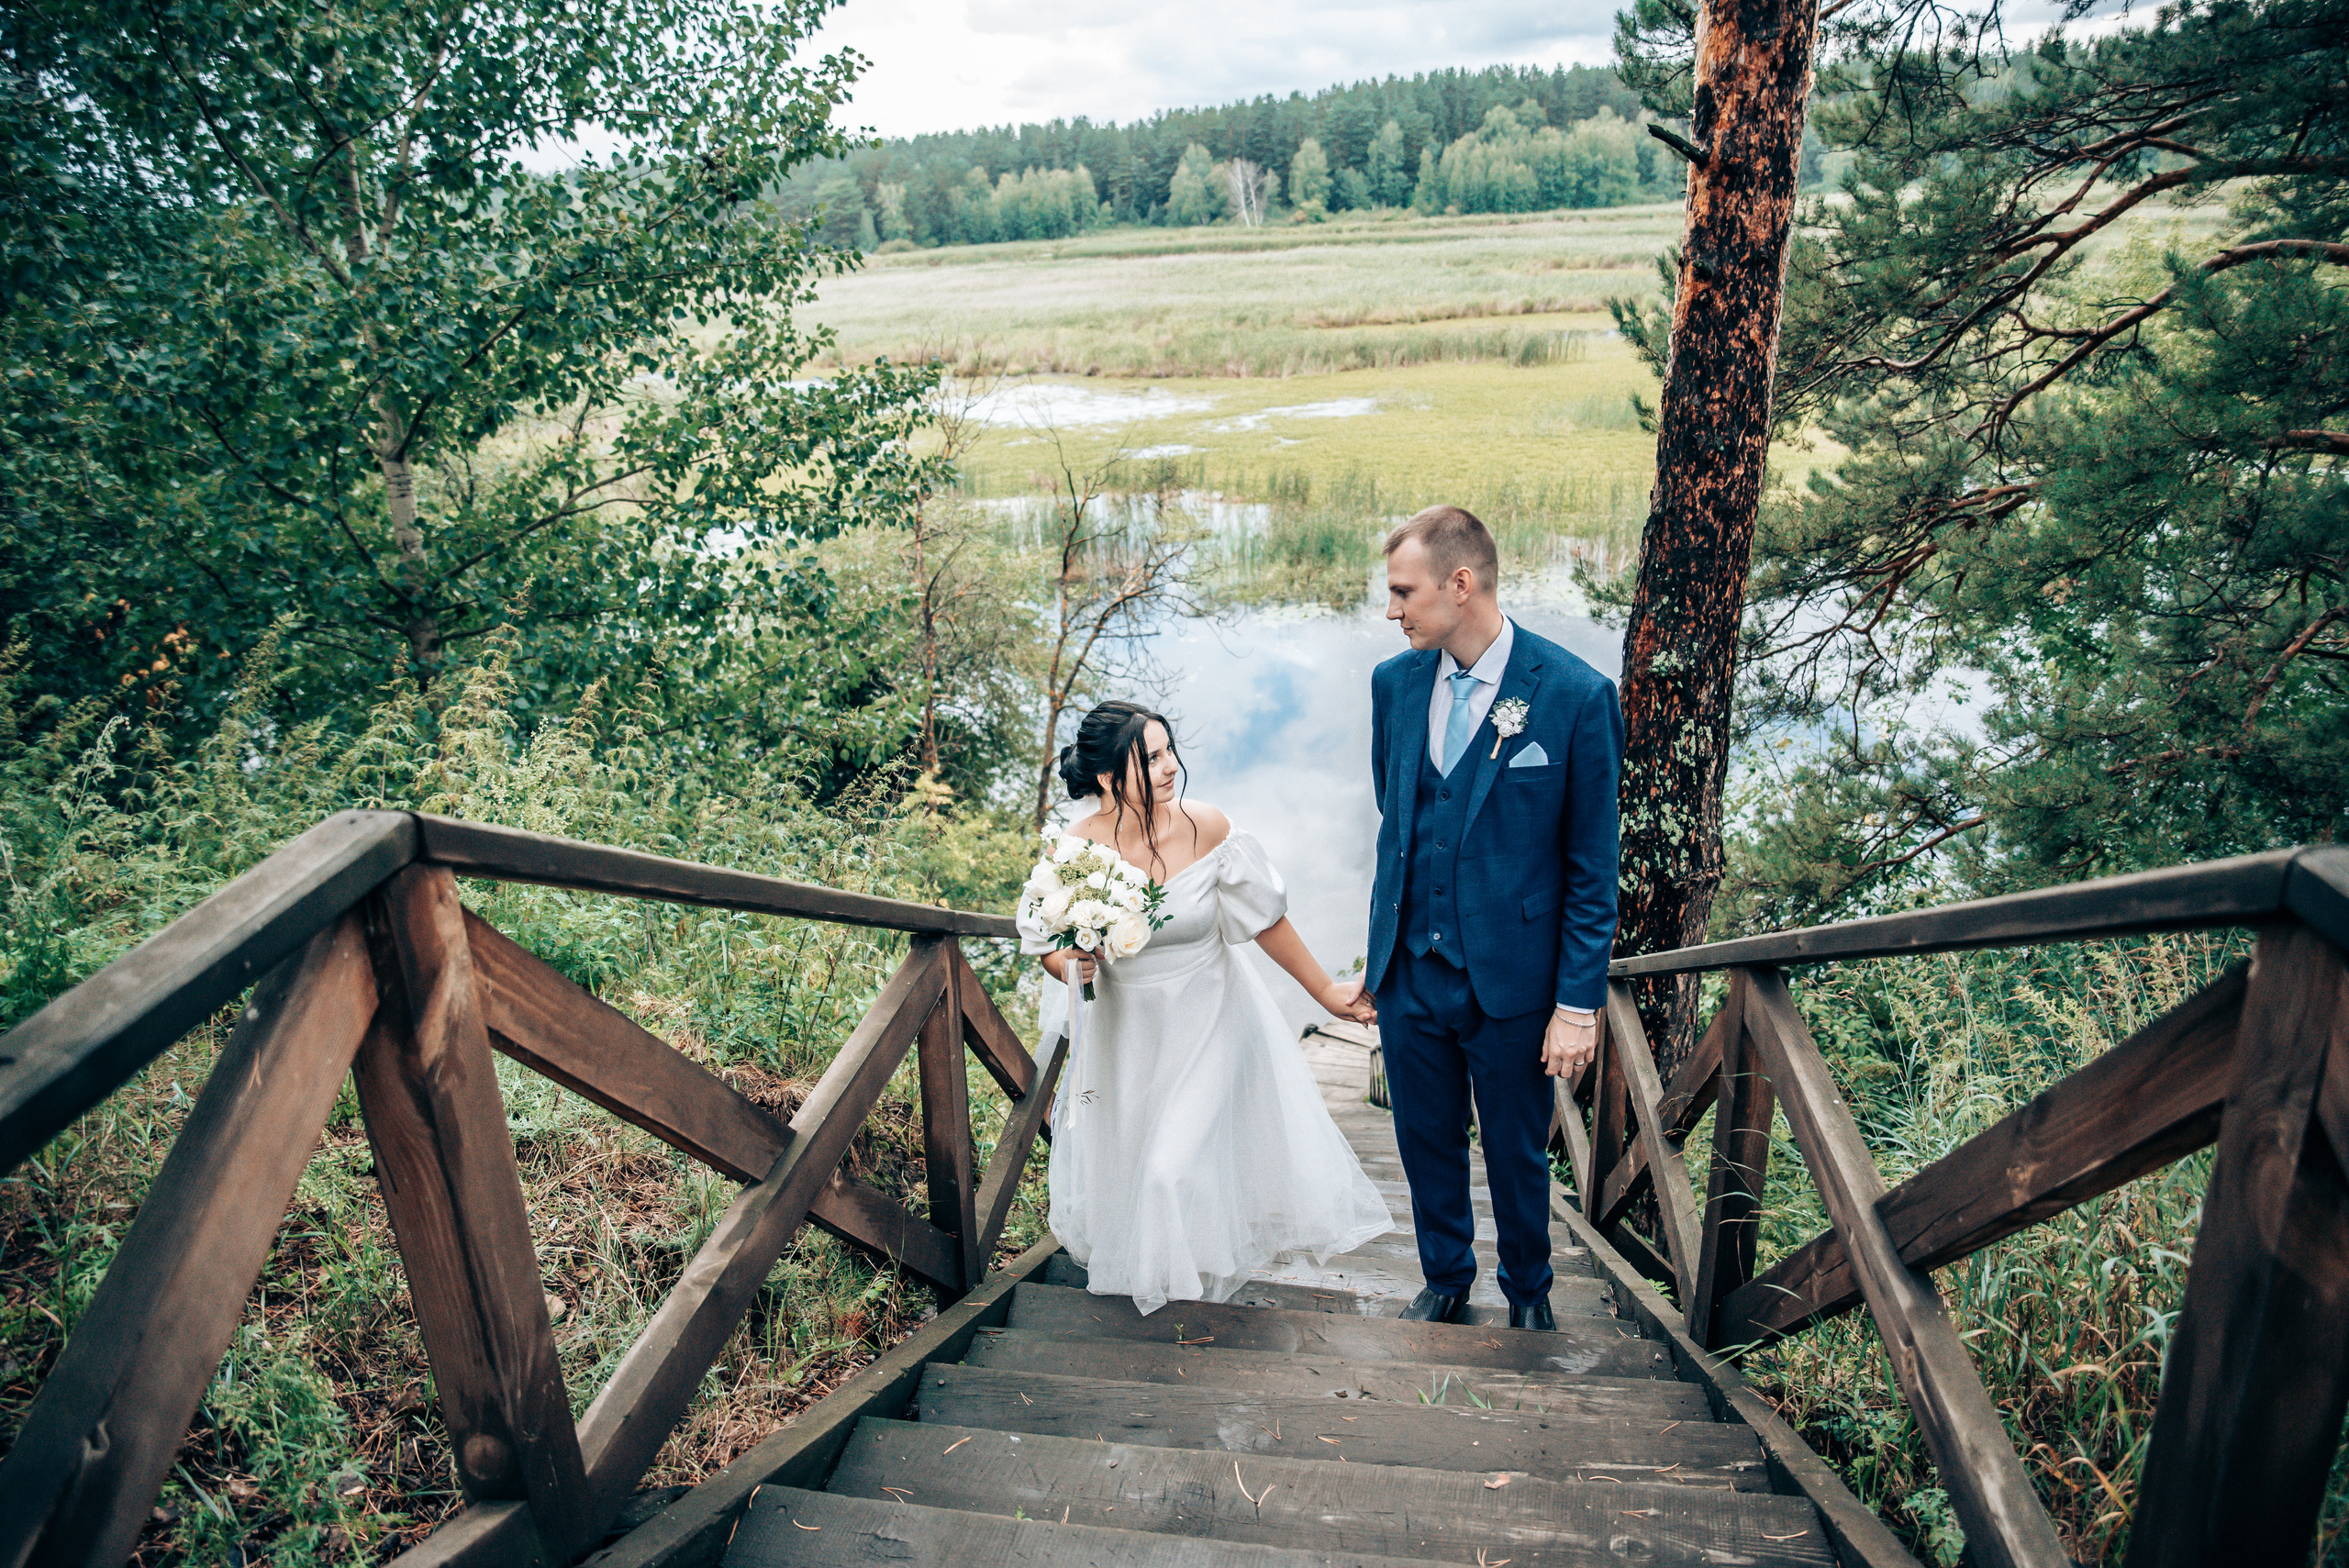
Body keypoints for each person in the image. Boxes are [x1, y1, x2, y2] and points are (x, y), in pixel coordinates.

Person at [1020, 701, 1393, 1315]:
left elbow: (1264, 919)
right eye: (1153, 758)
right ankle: (1159, 1289)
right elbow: (1048, 945)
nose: (1171, 767)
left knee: (1169, 1168)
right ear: (1111, 779)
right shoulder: (1075, 849)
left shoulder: (1209, 827)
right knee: (1136, 1165)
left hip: (1210, 1017)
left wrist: (1327, 992)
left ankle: (1179, 1308)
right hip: (1126, 1034)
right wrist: (1072, 963)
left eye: (1170, 751)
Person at [1365, 506, 1622, 1330]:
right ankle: (1445, 1276)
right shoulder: (1394, 684)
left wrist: (1576, 1006)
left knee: (1515, 1152)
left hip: (1514, 981)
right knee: (1424, 1139)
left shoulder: (1577, 696)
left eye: (1404, 591)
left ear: (1461, 584)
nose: (1393, 608)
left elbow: (1592, 871)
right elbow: (1399, 815)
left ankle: (1528, 1293)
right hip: (1411, 972)